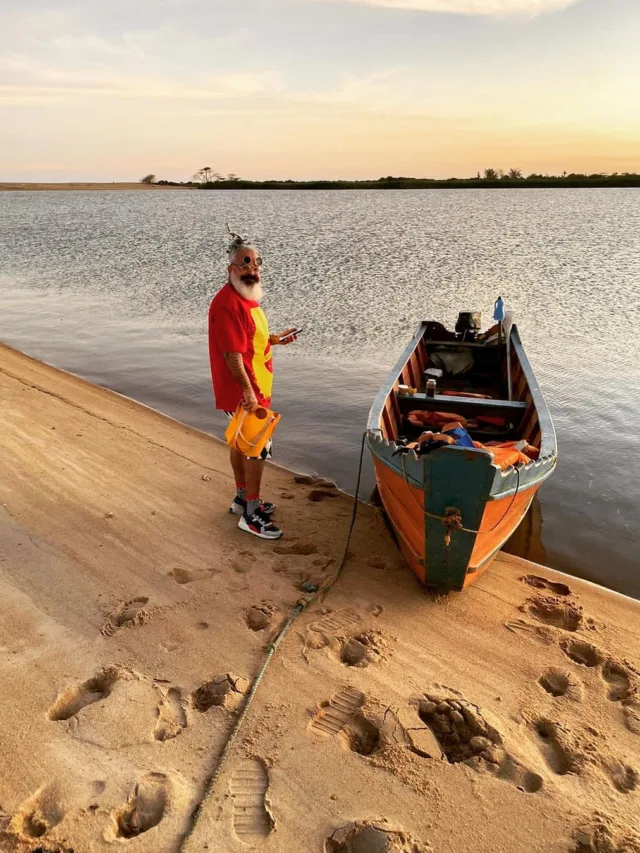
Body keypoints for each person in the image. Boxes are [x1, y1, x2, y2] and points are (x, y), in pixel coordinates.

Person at [208, 230, 297, 540]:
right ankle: (252, 513)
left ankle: (242, 498)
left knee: (241, 444)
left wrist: (274, 340)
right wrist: (247, 391)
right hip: (244, 388)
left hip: (254, 383)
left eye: (257, 264)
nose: (252, 270)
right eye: (244, 264)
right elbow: (232, 354)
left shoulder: (246, 300)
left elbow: (249, 341)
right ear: (230, 268)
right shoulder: (227, 303)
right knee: (257, 449)